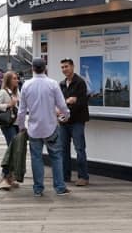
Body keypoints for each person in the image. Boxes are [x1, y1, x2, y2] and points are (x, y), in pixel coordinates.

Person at [17, 58, 70, 196]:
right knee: (56, 157)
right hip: (51, 127)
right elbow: (62, 105)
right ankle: (59, 187)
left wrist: (21, 126)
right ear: (45, 68)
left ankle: (38, 189)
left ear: (33, 69)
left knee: (36, 158)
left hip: (34, 129)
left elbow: (21, 111)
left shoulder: (26, 85)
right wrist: (66, 115)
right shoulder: (52, 84)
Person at [59, 58, 90, 186]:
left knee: (79, 149)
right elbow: (60, 101)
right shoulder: (61, 84)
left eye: (66, 66)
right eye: (62, 67)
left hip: (77, 121)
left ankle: (83, 177)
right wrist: (68, 101)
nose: (64, 69)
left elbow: (82, 102)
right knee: (63, 150)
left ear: (72, 67)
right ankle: (65, 176)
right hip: (63, 122)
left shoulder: (80, 82)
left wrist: (72, 102)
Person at [0, 71, 20, 190]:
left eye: (17, 78)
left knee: (14, 150)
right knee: (12, 149)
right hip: (8, 124)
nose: (16, 80)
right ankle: (4, 176)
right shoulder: (3, 92)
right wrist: (8, 105)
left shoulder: (16, 92)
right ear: (8, 80)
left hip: (16, 123)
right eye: (14, 78)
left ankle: (10, 177)